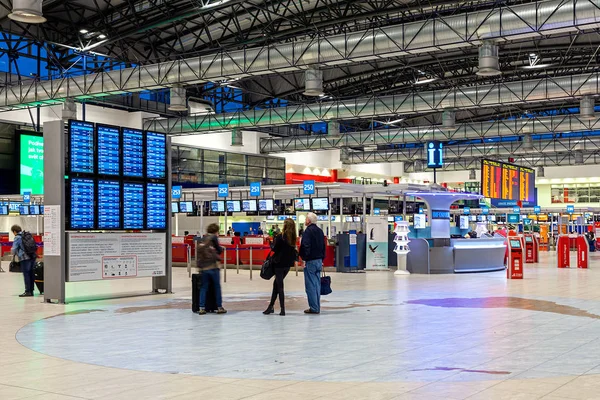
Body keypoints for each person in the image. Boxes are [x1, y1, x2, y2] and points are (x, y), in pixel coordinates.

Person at [264, 218, 297, 316]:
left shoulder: (280, 237)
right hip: (287, 265)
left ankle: (282, 309)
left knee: (280, 286)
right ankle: (271, 307)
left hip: (278, 264)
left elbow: (275, 249)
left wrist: (271, 243)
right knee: (276, 285)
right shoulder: (293, 238)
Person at [198, 223, 227, 315]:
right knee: (217, 287)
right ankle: (219, 307)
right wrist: (221, 249)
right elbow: (218, 250)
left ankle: (201, 307)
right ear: (216, 231)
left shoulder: (202, 239)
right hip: (213, 266)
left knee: (204, 287)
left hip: (203, 267)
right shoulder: (214, 238)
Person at [299, 212, 325, 314]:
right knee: (317, 284)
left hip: (311, 261)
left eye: (306, 219)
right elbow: (323, 246)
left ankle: (314, 308)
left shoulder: (308, 232)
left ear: (308, 221)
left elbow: (305, 246)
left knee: (310, 285)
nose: (305, 221)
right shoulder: (320, 231)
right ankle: (317, 306)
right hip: (319, 260)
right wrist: (322, 258)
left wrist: (303, 258)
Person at [11, 225, 36, 297]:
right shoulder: (27, 235)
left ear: (14, 231)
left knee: (26, 274)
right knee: (31, 273)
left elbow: (14, 249)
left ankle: (27, 291)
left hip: (24, 258)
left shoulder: (17, 237)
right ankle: (31, 290)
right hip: (32, 256)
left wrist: (13, 254)